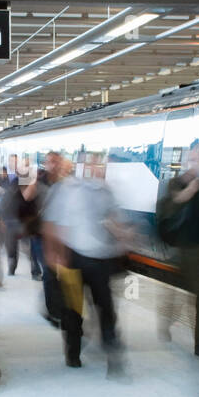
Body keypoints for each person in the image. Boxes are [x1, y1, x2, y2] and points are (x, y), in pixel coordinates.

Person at [45, 151, 131, 379]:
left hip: (100, 260)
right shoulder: (67, 190)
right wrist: (56, 254)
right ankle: (73, 352)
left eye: (100, 164)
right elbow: (54, 224)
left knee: (105, 309)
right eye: (94, 164)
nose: (98, 168)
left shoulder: (105, 191)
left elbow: (115, 219)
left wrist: (123, 237)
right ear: (82, 166)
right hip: (73, 259)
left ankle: (114, 358)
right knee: (73, 310)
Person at [156, 141, 199, 359]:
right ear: (191, 157)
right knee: (175, 294)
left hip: (197, 248)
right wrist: (191, 187)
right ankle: (165, 322)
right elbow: (175, 202)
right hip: (180, 247)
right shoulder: (178, 182)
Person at [26, 151, 69, 327]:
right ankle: (54, 312)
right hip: (41, 235)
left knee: (62, 274)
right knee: (50, 273)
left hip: (60, 234)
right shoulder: (39, 180)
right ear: (45, 163)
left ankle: (54, 305)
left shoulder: (65, 184)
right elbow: (27, 197)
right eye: (51, 162)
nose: (55, 165)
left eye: (57, 162)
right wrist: (34, 181)